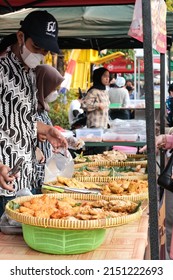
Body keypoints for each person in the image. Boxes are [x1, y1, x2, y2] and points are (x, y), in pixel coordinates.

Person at [0, 10, 68, 216]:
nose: (40, 54)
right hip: (4, 182)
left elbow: (23, 119)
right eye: (36, 47)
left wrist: (47, 130)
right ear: (21, 37)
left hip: (25, 180)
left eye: (46, 50)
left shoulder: (29, 74)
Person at [35, 64, 64, 189]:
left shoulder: (43, 109)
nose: (55, 92)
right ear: (42, 86)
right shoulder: (30, 110)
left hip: (46, 173)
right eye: (52, 88)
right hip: (36, 174)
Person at [81, 67, 110, 155]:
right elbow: (84, 105)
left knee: (104, 153)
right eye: (104, 76)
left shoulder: (105, 91)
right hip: (95, 127)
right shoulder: (93, 91)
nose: (107, 78)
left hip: (104, 126)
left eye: (108, 76)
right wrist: (97, 105)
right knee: (96, 152)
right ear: (98, 77)